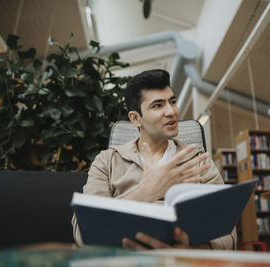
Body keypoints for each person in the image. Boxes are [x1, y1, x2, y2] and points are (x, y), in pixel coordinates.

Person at [72, 69, 237, 250]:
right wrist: (145, 192)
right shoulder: (107, 161)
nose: (171, 111)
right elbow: (84, 232)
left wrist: (190, 249)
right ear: (135, 118)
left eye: (172, 102)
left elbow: (227, 233)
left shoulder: (198, 159)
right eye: (158, 105)